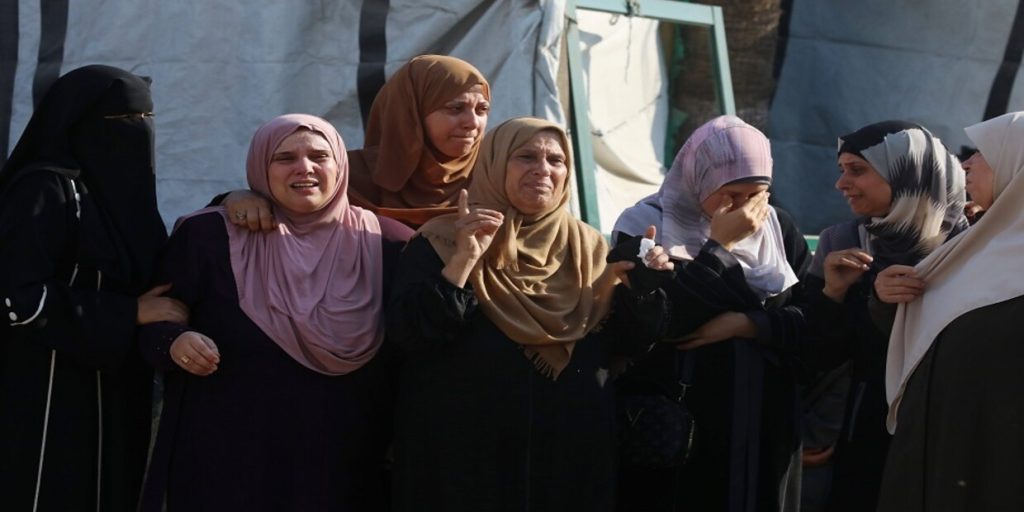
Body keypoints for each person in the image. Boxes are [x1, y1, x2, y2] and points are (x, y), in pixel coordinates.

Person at [386, 117, 672, 512]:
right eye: (525, 157)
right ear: (494, 162)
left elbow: (627, 346)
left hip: (568, 460)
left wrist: (642, 289)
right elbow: (409, 332)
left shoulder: (591, 250)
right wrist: (464, 261)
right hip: (464, 459)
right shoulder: (444, 240)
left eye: (557, 160)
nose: (543, 169)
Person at [138, 114, 408, 511]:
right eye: (285, 158)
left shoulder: (389, 244)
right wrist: (175, 342)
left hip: (343, 463)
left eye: (320, 156)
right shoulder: (208, 236)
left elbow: (417, 342)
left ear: (340, 164)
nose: (305, 168)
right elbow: (156, 320)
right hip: (228, 461)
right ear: (260, 167)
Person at [0, 65, 185, 512]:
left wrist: (233, 203)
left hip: (115, 385)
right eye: (125, 120)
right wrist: (128, 313)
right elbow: (17, 297)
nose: (139, 130)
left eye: (146, 119)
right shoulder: (45, 189)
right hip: (45, 386)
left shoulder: (120, 196)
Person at [612, 115, 811, 512]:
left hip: (763, 423)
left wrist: (749, 325)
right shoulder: (645, 226)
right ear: (699, 178)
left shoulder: (778, 229)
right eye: (731, 194)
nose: (744, 209)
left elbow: (808, 320)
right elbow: (660, 324)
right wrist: (718, 248)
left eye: (757, 195)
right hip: (684, 424)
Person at [797, 121, 967, 512]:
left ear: (907, 173)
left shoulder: (966, 248)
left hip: (944, 430)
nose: (842, 183)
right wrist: (833, 295)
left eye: (857, 170)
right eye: (842, 169)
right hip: (863, 433)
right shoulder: (841, 243)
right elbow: (815, 356)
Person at [875, 111, 1024, 511]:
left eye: (984, 153)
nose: (967, 164)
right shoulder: (969, 247)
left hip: (995, 470)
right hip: (935, 456)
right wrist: (887, 297)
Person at [225, 54, 490, 230]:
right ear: (410, 114)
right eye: (455, 108)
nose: (472, 123)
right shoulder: (341, 175)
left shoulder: (494, 177)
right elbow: (281, 201)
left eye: (482, 110)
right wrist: (236, 198)